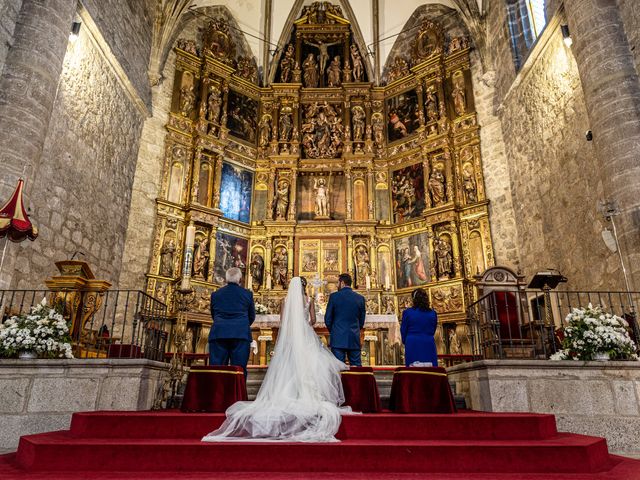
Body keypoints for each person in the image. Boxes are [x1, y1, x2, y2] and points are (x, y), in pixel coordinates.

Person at [202, 277, 349, 442]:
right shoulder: (309, 300)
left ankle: (285, 392)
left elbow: (283, 321)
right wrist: (305, 324)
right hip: (306, 336)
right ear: (304, 287)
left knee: (288, 363)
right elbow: (313, 321)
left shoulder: (285, 300)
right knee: (309, 363)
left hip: (290, 338)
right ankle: (305, 393)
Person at [208, 267, 256, 377]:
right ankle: (238, 394)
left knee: (217, 370)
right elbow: (252, 316)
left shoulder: (216, 294)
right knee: (239, 370)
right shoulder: (247, 294)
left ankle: (217, 394)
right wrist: (241, 325)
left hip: (219, 333)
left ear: (226, 279)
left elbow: (214, 314)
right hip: (240, 335)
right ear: (240, 279)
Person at [324, 273, 366, 366]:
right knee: (356, 367)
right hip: (354, 336)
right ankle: (357, 381)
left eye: (337, 283)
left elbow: (327, 319)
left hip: (338, 337)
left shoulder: (334, 297)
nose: (336, 285)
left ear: (342, 283)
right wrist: (355, 329)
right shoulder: (360, 298)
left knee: (338, 367)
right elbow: (362, 321)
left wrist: (334, 330)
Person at [401, 288, 438, 367]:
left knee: (413, 372)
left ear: (414, 299)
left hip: (412, 343)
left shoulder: (407, 312)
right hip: (428, 342)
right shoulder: (433, 313)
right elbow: (433, 329)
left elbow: (403, 330)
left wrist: (406, 341)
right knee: (430, 370)